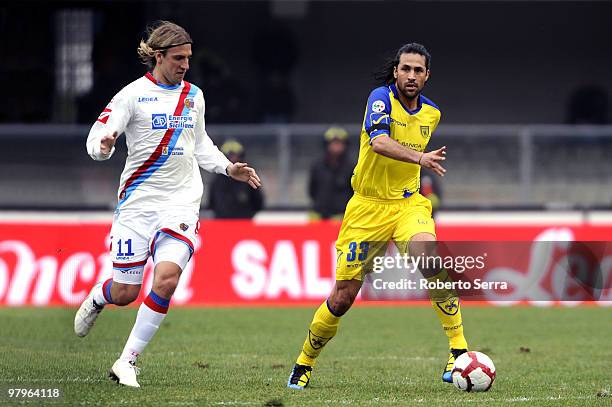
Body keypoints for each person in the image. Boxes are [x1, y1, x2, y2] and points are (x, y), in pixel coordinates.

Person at [74, 21, 261, 388]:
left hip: (180, 205)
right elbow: (96, 138)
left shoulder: (195, 96)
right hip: (136, 207)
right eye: (178, 58)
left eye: (189, 58)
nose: (186, 65)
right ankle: (99, 296)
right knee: (126, 292)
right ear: (158, 57)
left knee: (167, 278)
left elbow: (200, 144)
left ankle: (127, 362)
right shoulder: (131, 95)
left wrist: (227, 167)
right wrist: (104, 147)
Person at [287, 43, 469, 389]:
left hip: (407, 204)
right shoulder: (380, 99)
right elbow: (379, 142)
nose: (411, 75)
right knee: (343, 297)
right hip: (367, 208)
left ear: (427, 76)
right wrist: (420, 159)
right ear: (396, 71)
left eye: (418, 70)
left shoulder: (432, 113)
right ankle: (304, 361)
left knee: (430, 260)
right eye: (406, 69)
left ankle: (458, 351)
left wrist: (418, 168)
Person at [308, 126, 355, 220]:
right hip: (318, 215)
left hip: (341, 216)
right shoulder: (317, 166)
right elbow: (312, 189)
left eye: (339, 143)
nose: (336, 147)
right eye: (333, 143)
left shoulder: (352, 167)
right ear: (327, 145)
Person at [208, 140, 264, 218]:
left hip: (244, 223)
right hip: (222, 224)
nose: (232, 159)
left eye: (235, 155)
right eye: (229, 156)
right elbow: (212, 203)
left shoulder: (248, 177)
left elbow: (258, 202)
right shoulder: (217, 180)